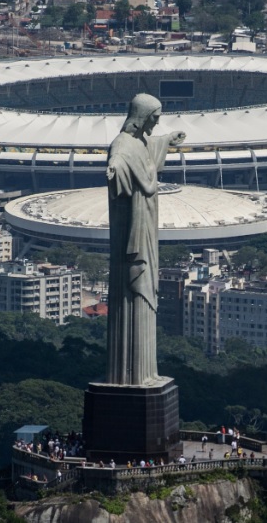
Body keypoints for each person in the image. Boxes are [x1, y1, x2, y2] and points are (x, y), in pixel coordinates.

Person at [106, 93, 186, 386]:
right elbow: (120, 156)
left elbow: (145, 147)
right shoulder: (122, 146)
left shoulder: (139, 141)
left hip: (148, 225)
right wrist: (114, 169)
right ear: (141, 116)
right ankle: (132, 375)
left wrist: (167, 140)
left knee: (145, 298)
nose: (157, 121)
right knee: (133, 298)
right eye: (155, 117)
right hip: (134, 230)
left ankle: (146, 373)